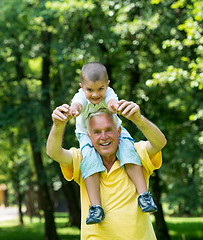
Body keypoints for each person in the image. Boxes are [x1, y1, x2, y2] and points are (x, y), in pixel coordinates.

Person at [46, 101, 167, 239]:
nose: (103, 137)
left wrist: (138, 119)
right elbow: (53, 152)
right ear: (89, 137)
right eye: (97, 132)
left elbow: (159, 142)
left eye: (108, 129)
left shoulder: (135, 154)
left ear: (119, 131)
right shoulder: (82, 159)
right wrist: (58, 125)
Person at [67, 62, 157, 224]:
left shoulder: (109, 93)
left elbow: (111, 102)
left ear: (107, 85)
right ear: (82, 87)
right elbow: (77, 104)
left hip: (115, 131)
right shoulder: (80, 96)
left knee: (129, 152)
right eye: (90, 90)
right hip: (86, 135)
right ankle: (95, 207)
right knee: (89, 162)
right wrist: (74, 110)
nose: (95, 94)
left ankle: (144, 195)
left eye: (100, 89)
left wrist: (116, 107)